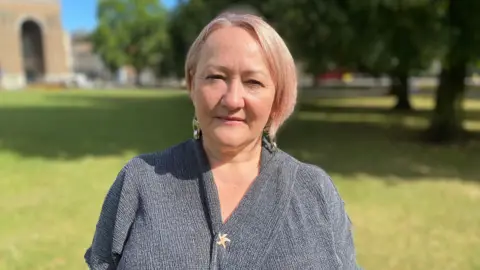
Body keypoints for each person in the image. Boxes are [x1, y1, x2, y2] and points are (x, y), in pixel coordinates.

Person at [84, 12, 361, 270]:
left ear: (277, 96)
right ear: (192, 83)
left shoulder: (315, 192)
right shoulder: (139, 181)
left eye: (253, 82)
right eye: (216, 77)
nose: (232, 100)